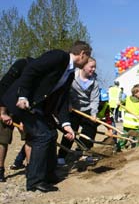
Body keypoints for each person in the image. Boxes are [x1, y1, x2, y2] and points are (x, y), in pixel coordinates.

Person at [1, 40, 92, 192]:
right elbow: (31, 69)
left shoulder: (69, 74)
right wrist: (23, 95)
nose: (88, 61)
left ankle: (48, 175)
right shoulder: (58, 56)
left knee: (51, 133)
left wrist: (66, 124)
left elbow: (62, 100)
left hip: (36, 106)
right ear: (82, 54)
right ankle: (35, 181)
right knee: (42, 135)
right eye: (88, 58)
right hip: (21, 100)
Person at [57, 57, 100, 165]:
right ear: (83, 66)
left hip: (87, 109)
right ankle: (62, 155)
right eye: (91, 66)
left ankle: (85, 153)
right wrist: (68, 104)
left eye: (95, 67)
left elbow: (94, 99)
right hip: (73, 109)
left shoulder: (94, 82)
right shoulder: (72, 76)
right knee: (70, 132)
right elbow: (65, 91)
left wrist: (94, 114)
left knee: (90, 129)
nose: (93, 69)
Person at [0, 57, 33, 182]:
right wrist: (2, 113)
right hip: (6, 104)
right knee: (2, 139)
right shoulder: (22, 65)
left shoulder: (41, 73)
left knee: (31, 137)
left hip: (24, 107)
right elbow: (2, 87)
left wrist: (26, 118)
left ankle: (31, 170)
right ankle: (0, 170)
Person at [119, 84, 139, 149]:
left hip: (136, 124)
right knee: (124, 136)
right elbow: (122, 102)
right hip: (128, 123)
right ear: (135, 92)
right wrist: (119, 102)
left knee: (138, 136)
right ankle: (119, 147)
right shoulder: (128, 98)